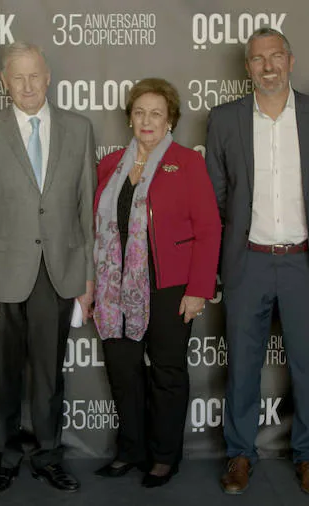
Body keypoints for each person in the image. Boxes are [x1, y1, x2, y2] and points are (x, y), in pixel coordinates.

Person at [205, 27, 309, 497]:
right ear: (246, 68)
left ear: (291, 60)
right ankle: (240, 454)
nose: (267, 66)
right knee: (243, 366)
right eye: (257, 59)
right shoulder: (225, 119)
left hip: (304, 261)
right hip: (248, 260)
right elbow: (219, 192)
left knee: (307, 367)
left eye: (275, 56)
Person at [0, 41, 96, 495]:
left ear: (48, 76)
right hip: (0, 277)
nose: (28, 85)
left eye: (34, 75)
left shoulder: (78, 129)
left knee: (49, 376)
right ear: (4, 82)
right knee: (3, 375)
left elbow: (85, 214)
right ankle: (3, 457)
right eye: (17, 77)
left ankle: (48, 455)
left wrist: (88, 277)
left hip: (58, 272)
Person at [92, 78, 221, 488]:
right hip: (116, 289)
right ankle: (131, 449)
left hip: (170, 286)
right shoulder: (110, 165)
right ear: (130, 117)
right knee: (123, 371)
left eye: (156, 114)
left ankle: (164, 456)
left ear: (171, 121)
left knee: (167, 371)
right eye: (140, 112)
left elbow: (209, 228)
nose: (147, 121)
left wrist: (199, 289)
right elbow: (95, 230)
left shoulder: (188, 163)